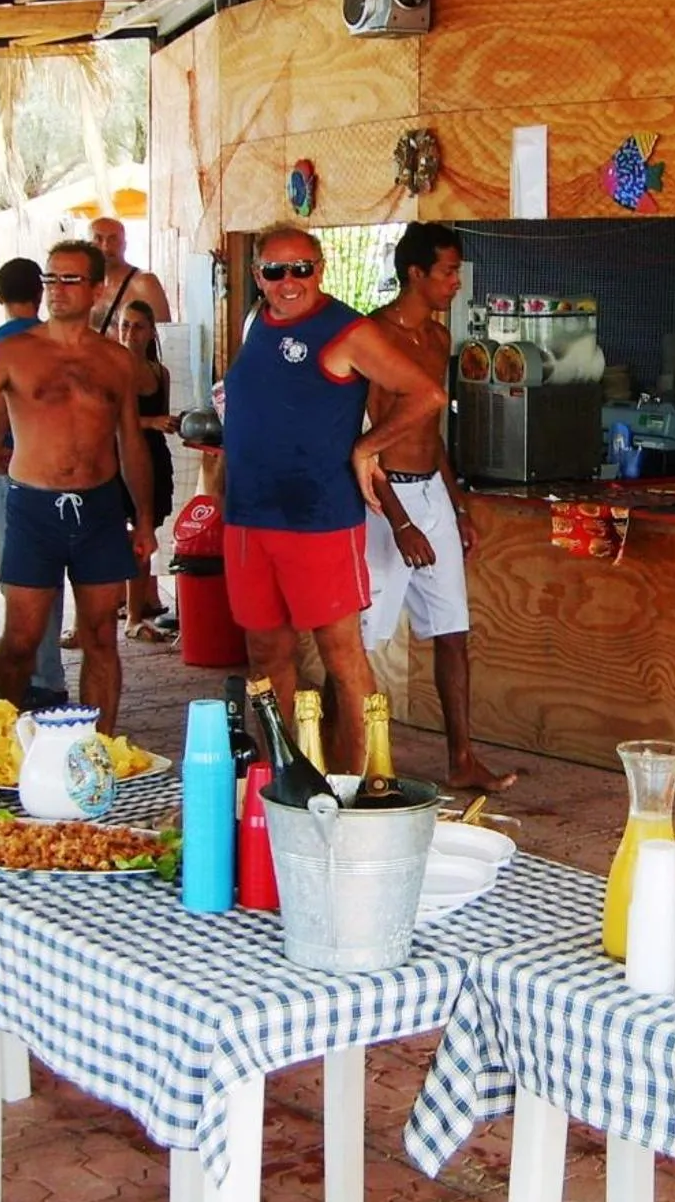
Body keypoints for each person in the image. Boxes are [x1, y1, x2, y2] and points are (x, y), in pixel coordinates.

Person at [223, 225, 445, 768]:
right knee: (265, 654)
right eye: (276, 271)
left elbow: (427, 394)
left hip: (318, 518)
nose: (289, 282)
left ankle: (359, 785)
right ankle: (285, 777)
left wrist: (367, 447)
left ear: (320, 270)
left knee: (342, 657)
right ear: (258, 277)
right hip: (249, 516)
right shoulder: (257, 322)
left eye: (301, 269)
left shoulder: (346, 330)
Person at [0, 239, 155, 734]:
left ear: (97, 288)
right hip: (34, 507)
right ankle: (10, 736)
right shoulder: (12, 351)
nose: (56, 290)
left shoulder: (116, 360)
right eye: (51, 279)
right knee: (22, 639)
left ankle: (98, 747)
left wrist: (143, 519)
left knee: (101, 635)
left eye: (70, 279)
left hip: (99, 508)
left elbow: (131, 443)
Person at [362, 224, 517, 792]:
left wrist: (456, 507)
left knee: (453, 629)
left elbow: (432, 430)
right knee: (360, 640)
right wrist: (400, 521)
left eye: (457, 271)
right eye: (448, 271)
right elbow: (365, 440)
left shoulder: (438, 337)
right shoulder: (374, 337)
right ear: (416, 274)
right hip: (382, 497)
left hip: (430, 489)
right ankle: (349, 761)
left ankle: (462, 759)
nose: (456, 282)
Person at [0, 258, 69, 709]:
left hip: (14, 473)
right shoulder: (54, 341)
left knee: (17, 585)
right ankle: (49, 674)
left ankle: (29, 683)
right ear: (40, 295)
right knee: (48, 584)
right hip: (55, 476)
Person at [116, 299, 176, 640]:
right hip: (117, 455)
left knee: (143, 536)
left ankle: (135, 615)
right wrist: (150, 421)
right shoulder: (111, 368)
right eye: (125, 325)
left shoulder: (159, 373)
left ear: (151, 332)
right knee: (113, 536)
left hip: (152, 455)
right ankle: (105, 612)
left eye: (138, 327)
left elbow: (160, 419)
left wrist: (165, 424)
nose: (130, 333)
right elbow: (107, 421)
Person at [86, 216, 171, 337]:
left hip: (125, 355)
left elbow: (165, 338)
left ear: (125, 245)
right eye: (98, 239)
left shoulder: (143, 283)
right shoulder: (82, 284)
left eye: (113, 239)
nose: (105, 247)